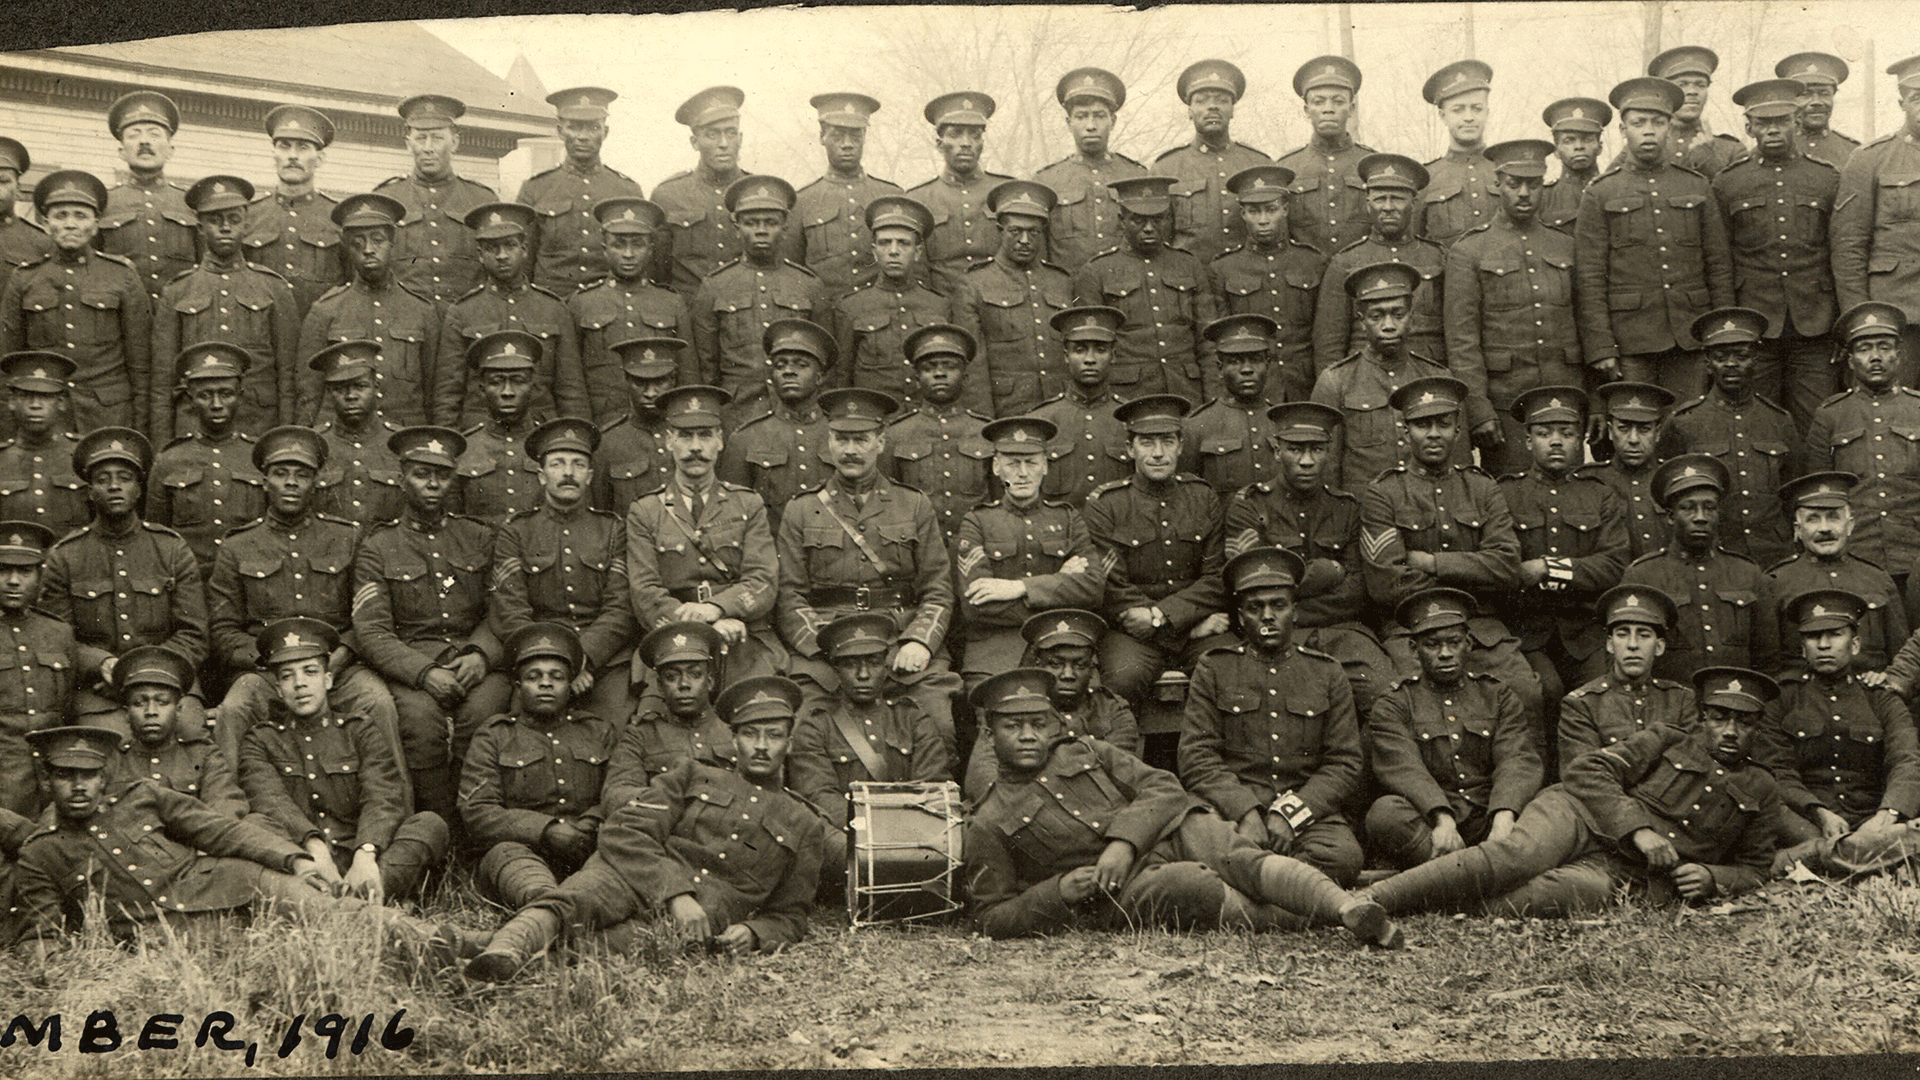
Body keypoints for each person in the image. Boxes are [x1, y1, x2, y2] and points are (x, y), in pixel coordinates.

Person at [968, 665, 1402, 945]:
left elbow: (1164, 786)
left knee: (1229, 848)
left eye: (1038, 724)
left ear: (1054, 726)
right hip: (1116, 893)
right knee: (1192, 886)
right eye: (1012, 726)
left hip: (1167, 835)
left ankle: (1343, 907)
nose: (1028, 735)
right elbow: (991, 916)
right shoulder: (987, 821)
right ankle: (1321, 916)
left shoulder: (1090, 751)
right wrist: (1057, 892)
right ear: (989, 737)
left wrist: (1124, 841)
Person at [463, 675, 829, 981]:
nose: (762, 746)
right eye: (751, 734)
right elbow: (625, 830)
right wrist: (675, 894)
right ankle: (507, 946)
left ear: (790, 742)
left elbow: (791, 915)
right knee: (574, 901)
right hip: (634, 875)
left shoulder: (806, 824)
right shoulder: (692, 774)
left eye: (774, 735)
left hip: (699, 920)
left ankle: (460, 948)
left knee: (603, 949)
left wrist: (755, 933)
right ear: (734, 739)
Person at [13, 724, 474, 966]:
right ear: (47, 779)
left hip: (235, 884)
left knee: (338, 918)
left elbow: (223, 831)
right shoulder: (41, 852)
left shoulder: (141, 796)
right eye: (64, 775)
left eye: (87, 775)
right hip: (169, 936)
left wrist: (292, 859)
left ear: (103, 776)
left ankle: (458, 946)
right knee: (307, 949)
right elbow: (41, 939)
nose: (77, 787)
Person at [1357, 666, 1781, 917]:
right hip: (1579, 814)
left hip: (1628, 873)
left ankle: (1415, 896)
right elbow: (1588, 769)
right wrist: (1638, 829)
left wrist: (1713, 876)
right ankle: (1374, 898)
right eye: (1720, 717)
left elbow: (1756, 867)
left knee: (1546, 896)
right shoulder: (1667, 738)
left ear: (1757, 728)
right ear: (1703, 717)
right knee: (1516, 857)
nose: (1730, 731)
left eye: (1743, 723)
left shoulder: (1763, 788)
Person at [207, 424, 402, 776]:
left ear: (316, 482)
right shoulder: (237, 546)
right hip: (266, 672)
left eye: (302, 474)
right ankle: (230, 819)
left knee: (378, 702)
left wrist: (340, 657)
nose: (291, 483)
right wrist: (271, 663)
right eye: (281, 474)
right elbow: (223, 630)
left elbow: (370, 616)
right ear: (265, 481)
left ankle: (397, 812)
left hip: (337, 668)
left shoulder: (348, 538)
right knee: (234, 709)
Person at [776, 387, 961, 752]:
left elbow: (938, 587)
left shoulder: (913, 505)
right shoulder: (800, 509)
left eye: (860, 439)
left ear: (880, 441)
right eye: (841, 439)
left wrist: (919, 640)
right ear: (828, 441)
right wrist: (825, 648)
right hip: (828, 644)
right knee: (801, 732)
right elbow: (788, 594)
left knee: (938, 726)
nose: (850, 450)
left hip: (898, 641)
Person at [351, 425, 511, 825]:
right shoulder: (378, 546)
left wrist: (481, 654)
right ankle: (438, 829)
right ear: (402, 478)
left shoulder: (477, 537)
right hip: (412, 661)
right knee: (421, 725)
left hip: (472, 657)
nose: (432, 485)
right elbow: (371, 630)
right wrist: (424, 673)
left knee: (484, 716)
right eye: (422, 474)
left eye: (441, 475)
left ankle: (477, 827)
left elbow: (503, 608)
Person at [1359, 375, 1541, 720]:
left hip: (1480, 627)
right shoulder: (1384, 493)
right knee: (1410, 702)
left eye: (1443, 424)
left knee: (1524, 692)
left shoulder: (1482, 488)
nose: (1433, 434)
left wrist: (1431, 563)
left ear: (1459, 431)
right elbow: (1386, 584)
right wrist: (1473, 571)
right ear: (1405, 431)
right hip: (1411, 631)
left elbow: (1506, 566)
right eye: (1422, 425)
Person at [1179, 546, 1364, 885]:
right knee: (1196, 841)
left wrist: (1292, 815)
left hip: (1305, 810)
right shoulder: (1214, 667)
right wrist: (1244, 811)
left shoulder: (1327, 672)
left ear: (1295, 611)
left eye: (1278, 605)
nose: (1267, 616)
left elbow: (1345, 762)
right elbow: (1196, 756)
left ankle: (1257, 886)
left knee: (1343, 857)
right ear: (1239, 616)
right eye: (1255, 607)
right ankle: (1298, 888)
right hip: (1234, 810)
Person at [238, 617, 448, 903]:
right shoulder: (261, 740)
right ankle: (363, 903)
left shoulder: (358, 730)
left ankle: (359, 893)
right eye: (287, 676)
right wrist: (315, 848)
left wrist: (366, 853)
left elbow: (382, 795)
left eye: (310, 672)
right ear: (277, 689)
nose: (300, 684)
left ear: (328, 679)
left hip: (362, 858)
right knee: (253, 823)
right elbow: (271, 801)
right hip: (304, 860)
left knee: (430, 824)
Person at [1222, 400, 1393, 714]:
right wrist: (1329, 572)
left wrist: (1288, 599)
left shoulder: (1347, 508)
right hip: (1273, 638)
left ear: (1329, 452)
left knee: (1386, 695)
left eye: (1317, 450)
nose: (1306, 461)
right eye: (1295, 449)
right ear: (1276, 451)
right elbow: (1253, 593)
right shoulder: (1249, 507)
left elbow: (1357, 592)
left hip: (1345, 635)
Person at [1575, 76, 1736, 399]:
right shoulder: (1601, 192)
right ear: (1623, 130)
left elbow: (1718, 265)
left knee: (1688, 428)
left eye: (1658, 122)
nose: (1648, 130)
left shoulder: (1695, 186)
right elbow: (1589, 279)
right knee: (1636, 431)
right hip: (1631, 340)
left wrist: (1722, 333)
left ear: (1670, 127)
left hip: (1691, 335)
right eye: (1638, 122)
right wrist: (1602, 346)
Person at [42, 428, 209, 731]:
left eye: (124, 478)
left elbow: (194, 634)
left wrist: (142, 672)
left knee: (190, 731)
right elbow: (57, 640)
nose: (114, 486)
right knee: (107, 741)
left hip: (170, 682)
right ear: (90, 491)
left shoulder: (171, 548)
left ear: (139, 489)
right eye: (103, 479)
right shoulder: (65, 556)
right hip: (97, 689)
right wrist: (101, 664)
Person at [1366, 587, 1541, 867]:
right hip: (1433, 823)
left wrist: (1504, 815)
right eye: (1432, 645)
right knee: (1385, 814)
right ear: (1413, 649)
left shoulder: (1497, 695)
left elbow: (1517, 759)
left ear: (1469, 643)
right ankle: (1485, 870)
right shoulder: (1396, 703)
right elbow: (1403, 768)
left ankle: (1448, 874)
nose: (1445, 653)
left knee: (1547, 804)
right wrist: (1441, 818)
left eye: (1454, 642)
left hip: (1489, 815)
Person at [1711, 79, 1842, 435]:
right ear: (1749, 127)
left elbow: (1840, 253)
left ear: (1797, 122)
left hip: (1814, 325)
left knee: (1816, 423)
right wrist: (1732, 330)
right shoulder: (1728, 184)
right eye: (1763, 123)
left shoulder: (1826, 178)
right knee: (1757, 423)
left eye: (1782, 121)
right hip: (1755, 328)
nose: (1773, 130)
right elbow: (1721, 261)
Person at [1444, 139, 1583, 475]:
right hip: (1506, 405)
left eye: (1533, 184)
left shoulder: (1565, 244)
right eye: (1514, 184)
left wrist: (1592, 401)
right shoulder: (1469, 251)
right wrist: (1479, 409)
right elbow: (1463, 342)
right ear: (1497, 185)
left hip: (1563, 398)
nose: (1524, 193)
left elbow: (1585, 322)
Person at [626, 384, 781, 683]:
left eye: (705, 435)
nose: (695, 447)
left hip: (740, 634)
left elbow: (763, 578)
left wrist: (717, 609)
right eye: (685, 435)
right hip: (673, 639)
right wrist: (699, 625)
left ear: (720, 441)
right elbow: (644, 591)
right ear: (669, 440)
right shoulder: (645, 511)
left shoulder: (747, 504)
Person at [1082, 394, 1229, 705]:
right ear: (1130, 449)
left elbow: (1216, 579)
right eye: (1147, 442)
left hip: (1192, 625)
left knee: (1229, 669)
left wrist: (1162, 616)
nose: (1158, 453)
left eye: (1167, 441)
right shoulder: (1106, 506)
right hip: (1132, 633)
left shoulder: (1203, 498)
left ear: (1180, 445)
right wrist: (1184, 629)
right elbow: (1113, 589)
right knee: (1124, 678)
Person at [460, 622, 618, 908]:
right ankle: (548, 904)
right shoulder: (495, 735)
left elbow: (617, 792)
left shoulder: (598, 731)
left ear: (570, 685)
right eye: (534, 677)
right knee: (508, 857)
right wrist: (545, 830)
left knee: (612, 862)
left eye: (556, 677)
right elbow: (478, 811)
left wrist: (590, 825)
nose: (546, 683)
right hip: (522, 851)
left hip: (588, 848)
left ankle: (556, 911)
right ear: (518, 687)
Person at [1496, 387, 1630, 727]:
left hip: (1584, 631)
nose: (1556, 442)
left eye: (1567, 433)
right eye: (1544, 433)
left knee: (1603, 695)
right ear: (1527, 441)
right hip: (1527, 632)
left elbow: (1614, 565)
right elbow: (1500, 562)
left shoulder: (1600, 496)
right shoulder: (1505, 494)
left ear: (1580, 440)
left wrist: (1548, 568)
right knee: (1546, 691)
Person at [491, 417, 637, 724]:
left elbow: (620, 610)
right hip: (537, 658)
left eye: (578, 465)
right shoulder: (516, 531)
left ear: (590, 476)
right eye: (558, 464)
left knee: (615, 725)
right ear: (542, 476)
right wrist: (556, 666)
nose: (568, 473)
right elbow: (511, 610)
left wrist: (583, 660)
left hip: (603, 661)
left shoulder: (612, 529)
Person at [1763, 589, 1920, 876]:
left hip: (1872, 819)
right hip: (1807, 823)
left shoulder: (1880, 697)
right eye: (1813, 637)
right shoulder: (1783, 697)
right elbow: (1777, 769)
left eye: (1835, 634)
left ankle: (1815, 859)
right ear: (1802, 648)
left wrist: (1887, 814)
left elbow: (1906, 759)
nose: (1823, 645)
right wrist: (1818, 811)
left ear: (1855, 644)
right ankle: (1871, 854)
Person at [787, 612, 950, 875]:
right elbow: (820, 797)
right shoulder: (816, 726)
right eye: (851, 664)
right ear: (836, 669)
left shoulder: (912, 718)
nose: (863, 674)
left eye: (873, 663)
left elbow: (933, 783)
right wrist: (876, 831)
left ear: (885, 667)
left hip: (912, 832)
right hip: (849, 834)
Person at [953, 414, 1102, 699]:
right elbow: (976, 606)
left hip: (1065, 647)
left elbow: (1093, 588)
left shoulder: (1069, 518)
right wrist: (1061, 583)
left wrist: (1016, 588)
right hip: (996, 650)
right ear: (996, 467)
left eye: (1031, 462)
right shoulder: (977, 522)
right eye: (1012, 463)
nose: (1022, 473)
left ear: (1044, 466)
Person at [0, 169, 153, 433]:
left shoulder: (122, 275)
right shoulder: (25, 278)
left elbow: (140, 363)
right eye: (61, 216)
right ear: (46, 224)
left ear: (95, 226)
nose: (70, 224)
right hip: (46, 418)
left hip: (109, 415)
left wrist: (138, 428)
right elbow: (8, 361)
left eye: (80, 216)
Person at [152, 175, 299, 441]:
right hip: (194, 426)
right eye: (214, 220)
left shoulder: (273, 288)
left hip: (258, 424)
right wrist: (164, 446)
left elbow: (288, 377)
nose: (225, 228)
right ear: (199, 226)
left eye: (233, 219)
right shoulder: (177, 291)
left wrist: (285, 439)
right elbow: (163, 382)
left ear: (247, 224)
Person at [1664, 307, 1804, 569]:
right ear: (1707, 363)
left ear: (1756, 360)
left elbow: (1793, 492)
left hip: (1774, 555)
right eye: (1720, 357)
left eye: (1741, 356)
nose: (1731, 364)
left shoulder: (1780, 421)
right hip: (1713, 556)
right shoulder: (1683, 422)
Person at [1623, 453, 1781, 681]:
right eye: (1688, 508)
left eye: (1709, 508)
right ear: (1669, 516)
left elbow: (1768, 660)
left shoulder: (1748, 573)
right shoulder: (1643, 575)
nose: (1700, 517)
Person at [433, 202, 588, 427]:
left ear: (524, 249)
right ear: (480, 254)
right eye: (492, 248)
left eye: (510, 245)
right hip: (480, 434)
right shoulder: (462, 312)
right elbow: (448, 393)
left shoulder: (554, 309)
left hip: (540, 432)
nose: (502, 255)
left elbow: (571, 390)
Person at [296, 192, 440, 427]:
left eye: (377, 240)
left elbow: (434, 390)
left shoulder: (421, 310)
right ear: (347, 249)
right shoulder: (325, 310)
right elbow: (308, 393)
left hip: (405, 436)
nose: (368, 249)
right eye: (358, 243)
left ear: (392, 243)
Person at [1312, 262, 1460, 490]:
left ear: (1411, 317)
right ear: (1362, 321)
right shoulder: (1336, 381)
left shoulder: (1437, 377)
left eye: (1398, 314)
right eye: (1376, 316)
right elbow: (1327, 471)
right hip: (1364, 510)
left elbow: (1458, 467)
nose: (1388, 326)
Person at [962, 609, 1140, 798]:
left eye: (1080, 665)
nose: (1068, 675)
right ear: (1037, 665)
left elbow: (1123, 773)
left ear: (1092, 669)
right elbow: (981, 777)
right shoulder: (1012, 708)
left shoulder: (1113, 709)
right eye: (1055, 664)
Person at [690, 175, 828, 413]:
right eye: (752, 223)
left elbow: (826, 363)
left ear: (785, 228)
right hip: (737, 410)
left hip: (796, 411)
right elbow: (706, 367)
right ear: (737, 228)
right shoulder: (715, 286)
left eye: (770, 222)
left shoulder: (809, 285)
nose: (761, 230)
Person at [1074, 175, 1218, 403]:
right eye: (1138, 220)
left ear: (1170, 219)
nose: (1149, 228)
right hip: (1127, 396)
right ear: (1121, 220)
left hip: (1186, 389)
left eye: (1158, 219)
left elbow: (1208, 341)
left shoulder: (1189, 265)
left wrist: (1213, 401)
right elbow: (1091, 349)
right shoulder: (1096, 271)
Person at [1806, 302, 1920, 589]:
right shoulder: (1830, 415)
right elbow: (1818, 495)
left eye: (1884, 347)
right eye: (1865, 348)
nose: (1876, 357)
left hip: (1915, 553)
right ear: (1851, 360)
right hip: (1856, 557)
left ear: (1899, 354)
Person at [834, 195, 979, 413]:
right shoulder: (852, 307)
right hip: (877, 418)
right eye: (885, 243)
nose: (894, 251)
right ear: (874, 251)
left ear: (917, 252)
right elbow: (842, 376)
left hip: (925, 419)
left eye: (903, 243)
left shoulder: (939, 305)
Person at [1313, 153, 1447, 375]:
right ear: (1368, 205)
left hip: (1426, 373)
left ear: (1414, 204)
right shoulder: (1345, 262)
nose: (1388, 207)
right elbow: (1329, 343)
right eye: (1379, 199)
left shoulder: (1438, 258)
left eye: (1397, 198)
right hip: (1364, 378)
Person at [568, 198, 693, 427]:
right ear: (605, 250)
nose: (628, 254)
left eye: (637, 244)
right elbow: (572, 381)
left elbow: (688, 376)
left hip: (660, 425)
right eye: (618, 244)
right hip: (603, 423)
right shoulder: (581, 304)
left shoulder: (672, 303)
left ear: (651, 249)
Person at [147, 342, 267, 578]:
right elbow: (157, 537)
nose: (216, 405)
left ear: (240, 396)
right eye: (205, 395)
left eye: (225, 394)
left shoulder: (259, 457)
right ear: (190, 399)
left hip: (250, 577)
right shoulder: (169, 460)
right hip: (190, 580)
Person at [1769, 471, 1908, 674]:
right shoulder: (1776, 582)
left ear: (1850, 525)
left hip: (1869, 697)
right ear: (1798, 530)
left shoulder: (1877, 578)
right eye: (1813, 519)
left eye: (1833, 517)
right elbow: (1771, 663)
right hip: (1805, 699)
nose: (1825, 528)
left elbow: (1900, 656)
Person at [1207, 165, 1324, 402]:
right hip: (1251, 390)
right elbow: (1217, 342)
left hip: (1304, 383)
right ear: (1242, 214)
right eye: (1254, 211)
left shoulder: (1313, 262)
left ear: (1286, 209)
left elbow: (1323, 334)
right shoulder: (1223, 268)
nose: (1263, 220)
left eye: (1271, 210)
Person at [958, 180, 1073, 418]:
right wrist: (983, 420)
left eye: (1033, 232)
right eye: (1015, 231)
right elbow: (973, 364)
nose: (1024, 240)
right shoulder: (975, 283)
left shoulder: (1061, 281)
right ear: (1000, 230)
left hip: (1060, 405)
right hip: (1008, 409)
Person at [516, 87, 644, 295]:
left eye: (593, 128)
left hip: (608, 304)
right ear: (559, 131)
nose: (583, 137)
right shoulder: (535, 189)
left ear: (606, 132)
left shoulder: (627, 190)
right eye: (574, 127)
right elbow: (523, 259)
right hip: (552, 304)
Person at [1556, 583, 1697, 771]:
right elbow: (1583, 774)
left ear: (1659, 646)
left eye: (1644, 635)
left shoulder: (1680, 701)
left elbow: (1691, 767)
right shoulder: (1582, 705)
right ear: (1610, 644)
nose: (1632, 645)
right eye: (1622, 634)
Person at [374, 94, 498, 305]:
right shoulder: (386, 199)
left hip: (465, 321)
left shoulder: (482, 200)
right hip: (405, 322)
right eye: (421, 138)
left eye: (437, 138)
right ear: (408, 144)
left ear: (455, 142)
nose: (428, 147)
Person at [716, 318, 834, 533]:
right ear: (771, 377)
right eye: (780, 365)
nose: (789, 371)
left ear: (820, 377)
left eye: (801, 364)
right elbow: (732, 519)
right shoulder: (745, 438)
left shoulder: (840, 434)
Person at [602, 621, 734, 809]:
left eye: (695, 674)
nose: (684, 684)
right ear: (660, 687)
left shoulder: (734, 731)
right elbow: (616, 795)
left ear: (711, 681)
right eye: (672, 677)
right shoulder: (641, 735)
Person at [784, 93, 904, 299]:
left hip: (879, 313)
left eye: (855, 136)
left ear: (865, 137)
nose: (847, 144)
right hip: (825, 315)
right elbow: (793, 271)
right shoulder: (801, 201)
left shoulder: (891, 196)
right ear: (822, 136)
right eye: (838, 136)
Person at [882, 324, 992, 548]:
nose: (939, 373)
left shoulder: (986, 432)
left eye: (950, 366)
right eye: (929, 367)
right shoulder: (895, 434)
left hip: (977, 549)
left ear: (966, 375)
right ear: (916, 376)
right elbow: (887, 504)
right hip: (917, 550)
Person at [1154, 60, 1271, 268]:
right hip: (1190, 281)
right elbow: (1159, 242)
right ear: (1190, 111)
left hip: (1250, 279)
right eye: (1201, 101)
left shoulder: (1258, 164)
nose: (1212, 106)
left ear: (1232, 110)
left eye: (1222, 100)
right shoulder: (1166, 169)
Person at [110, 643, 246, 819]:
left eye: (162, 702)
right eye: (139, 702)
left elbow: (225, 803)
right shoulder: (113, 759)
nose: (151, 711)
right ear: (127, 712)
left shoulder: (203, 755)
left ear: (179, 709)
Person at [1034, 69, 1146, 274]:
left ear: (1113, 121)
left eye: (1099, 116)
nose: (1091, 126)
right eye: (1081, 116)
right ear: (1069, 123)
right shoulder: (1047, 181)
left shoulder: (1136, 176)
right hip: (1070, 294)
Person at [0, 522, 77, 817]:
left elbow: (67, 707)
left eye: (25, 572)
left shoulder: (58, 633)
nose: (13, 581)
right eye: (3, 570)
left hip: (54, 775)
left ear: (40, 577)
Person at [242, 104, 346, 321]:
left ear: (319, 159)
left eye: (303, 148)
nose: (292, 156)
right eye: (284, 146)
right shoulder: (249, 216)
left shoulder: (338, 218)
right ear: (273, 155)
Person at [98, 91, 196, 302]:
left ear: (170, 150)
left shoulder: (190, 204)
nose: (144, 142)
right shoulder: (103, 204)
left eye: (154, 134)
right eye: (134, 135)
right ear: (121, 151)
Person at [906, 92, 1014, 285]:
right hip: (943, 305)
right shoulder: (918, 199)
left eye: (975, 135)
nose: (966, 143)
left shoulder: (1005, 192)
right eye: (955, 134)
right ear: (939, 144)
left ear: (982, 143)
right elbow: (917, 271)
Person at [651, 86, 750, 294]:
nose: (723, 143)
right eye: (712, 135)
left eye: (730, 133)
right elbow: (658, 273)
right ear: (695, 142)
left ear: (740, 139)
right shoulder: (668, 195)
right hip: (690, 315)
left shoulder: (754, 192)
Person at [1032, 305, 1131, 506]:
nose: (1090, 359)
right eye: (1079, 350)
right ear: (1066, 356)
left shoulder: (1129, 418)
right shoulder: (1041, 420)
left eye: (1100, 350)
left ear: (1114, 355)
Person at [1276, 56, 1372, 257]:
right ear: (1307, 110)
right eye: (1318, 102)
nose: (1328, 108)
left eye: (1338, 101)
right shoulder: (1286, 168)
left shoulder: (1371, 165)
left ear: (1351, 109)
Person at [450, 330, 547, 529]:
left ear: (534, 386)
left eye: (518, 381)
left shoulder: (550, 446)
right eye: (496, 382)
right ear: (481, 388)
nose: (507, 392)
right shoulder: (463, 450)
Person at [306, 339, 406, 530]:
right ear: (329, 393)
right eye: (340, 389)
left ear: (376, 387)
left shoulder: (399, 443)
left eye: (360, 386)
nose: (351, 395)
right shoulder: (313, 444)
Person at [1577, 381, 1677, 560]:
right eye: (1623, 429)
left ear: (1658, 432)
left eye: (1644, 429)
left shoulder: (1673, 478)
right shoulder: (1588, 480)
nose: (1633, 439)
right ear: (1609, 430)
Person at [1183, 314, 1284, 492]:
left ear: (1268, 364)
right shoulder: (1197, 426)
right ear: (1220, 369)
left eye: (1256, 360)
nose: (1246, 370)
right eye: (1235, 361)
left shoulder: (1282, 422)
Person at [589, 336, 680, 514]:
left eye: (660, 382)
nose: (650, 393)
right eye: (640, 383)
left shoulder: (691, 434)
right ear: (626, 380)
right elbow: (602, 516)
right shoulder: (607, 443)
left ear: (673, 380)